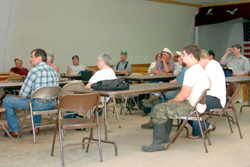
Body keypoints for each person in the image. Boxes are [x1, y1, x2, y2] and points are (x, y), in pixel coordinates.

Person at [141, 44, 210, 152]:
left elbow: (183, 95)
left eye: (184, 54)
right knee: (167, 105)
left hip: (191, 107)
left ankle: (157, 143)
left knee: (159, 108)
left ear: (191, 56)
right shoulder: (200, 69)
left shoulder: (191, 71)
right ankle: (164, 138)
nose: (181, 57)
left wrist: (172, 101)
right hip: (198, 105)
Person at [3, 48, 59, 137]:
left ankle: (14, 131)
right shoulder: (54, 71)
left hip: (37, 104)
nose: (30, 59)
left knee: (7, 101)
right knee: (36, 98)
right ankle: (35, 128)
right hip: (52, 104)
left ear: (39, 58)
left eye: (31, 56)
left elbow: (22, 94)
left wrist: (26, 95)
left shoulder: (34, 71)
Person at [141, 53, 188, 129]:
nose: (178, 59)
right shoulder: (184, 69)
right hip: (176, 88)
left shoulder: (186, 69)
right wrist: (168, 82)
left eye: (180, 57)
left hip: (180, 92)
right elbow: (154, 71)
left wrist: (169, 83)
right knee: (159, 88)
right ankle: (156, 117)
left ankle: (155, 121)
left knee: (160, 96)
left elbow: (177, 82)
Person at [187, 50, 226, 139]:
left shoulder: (213, 65)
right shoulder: (206, 66)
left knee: (194, 107)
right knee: (184, 106)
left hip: (215, 98)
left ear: (200, 59)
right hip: (207, 95)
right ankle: (206, 126)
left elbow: (204, 82)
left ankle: (198, 131)